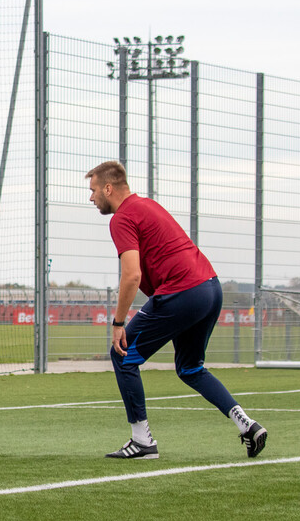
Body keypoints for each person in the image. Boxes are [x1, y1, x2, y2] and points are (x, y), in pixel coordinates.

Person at [85, 160, 267, 459]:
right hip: (210, 288)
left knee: (123, 355)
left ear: (108, 188)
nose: (91, 198)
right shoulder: (147, 205)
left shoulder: (121, 218)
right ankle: (247, 424)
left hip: (183, 291)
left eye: (93, 191)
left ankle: (142, 441)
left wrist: (118, 323)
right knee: (191, 368)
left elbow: (132, 275)